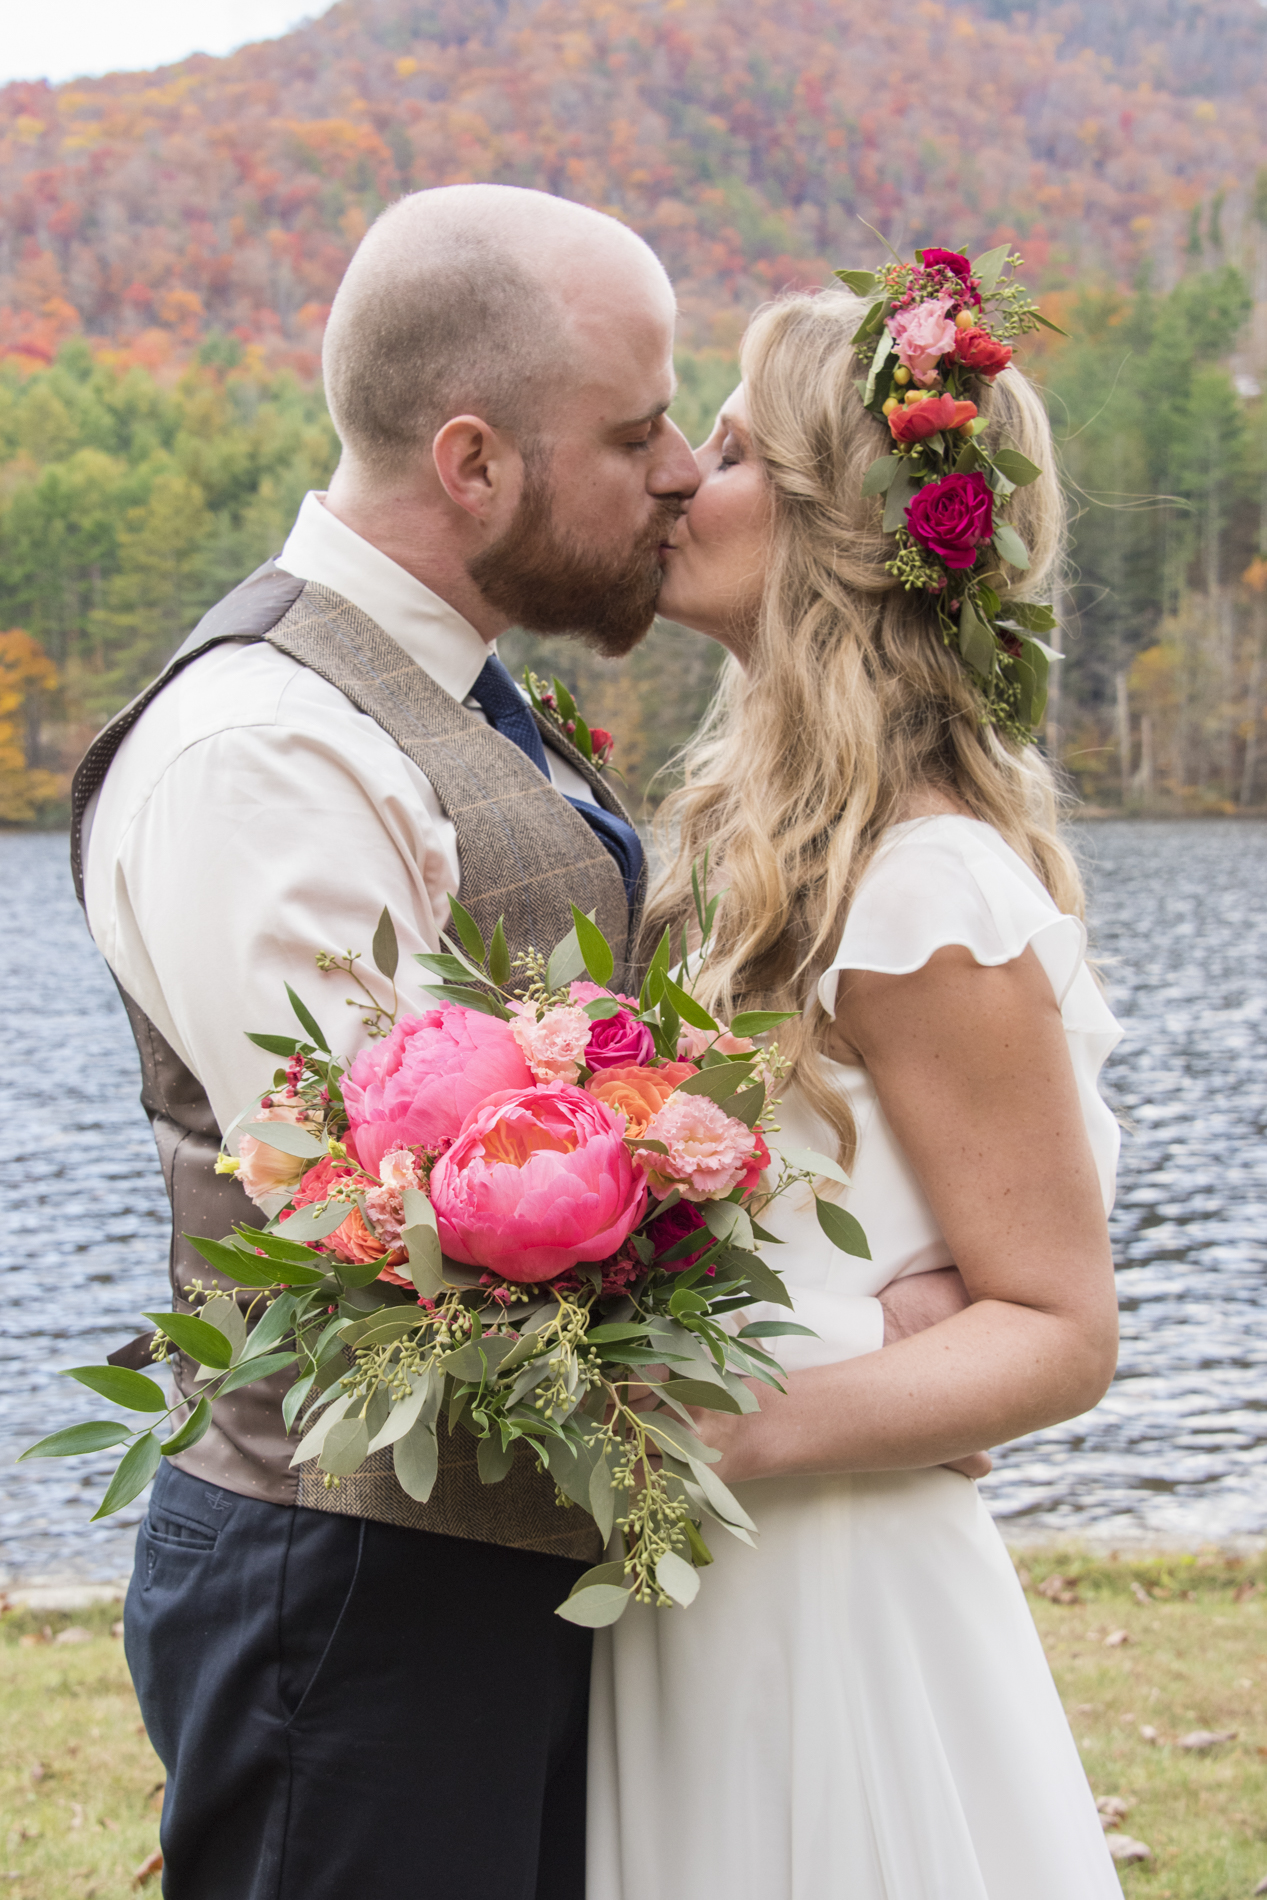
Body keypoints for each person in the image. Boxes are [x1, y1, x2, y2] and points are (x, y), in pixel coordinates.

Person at [70, 183, 702, 1900]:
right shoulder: (260, 751)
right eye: (637, 432)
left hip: (469, 1567)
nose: (681, 474)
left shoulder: (444, 696)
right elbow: (390, 1202)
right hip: (344, 1586)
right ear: (477, 463)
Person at [587, 289, 1125, 1898]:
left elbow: (1059, 1325)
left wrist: (731, 1424)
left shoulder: (922, 890)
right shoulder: (756, 859)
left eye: (735, 449)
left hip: (828, 1609)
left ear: (837, 528)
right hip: (705, 1589)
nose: (684, 474)